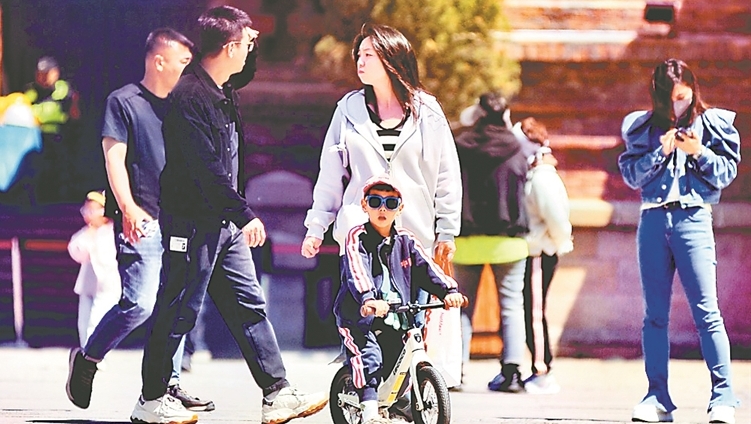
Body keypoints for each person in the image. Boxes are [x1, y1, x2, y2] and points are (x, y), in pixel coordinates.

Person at [131, 6, 328, 424]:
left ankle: (277, 393)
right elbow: (205, 167)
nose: (249, 52)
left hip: (223, 225)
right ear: (229, 47)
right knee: (178, 307)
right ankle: (151, 401)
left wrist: (249, 42)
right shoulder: (189, 96)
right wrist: (244, 214)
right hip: (192, 223)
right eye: (245, 45)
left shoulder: (222, 88)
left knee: (249, 305)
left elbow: (244, 71)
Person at [65, 28, 214, 413]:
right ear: (159, 61)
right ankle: (88, 357)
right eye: (183, 61)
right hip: (142, 220)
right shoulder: (124, 102)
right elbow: (113, 158)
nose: (190, 69)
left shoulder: (185, 104)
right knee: (140, 304)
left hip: (180, 220)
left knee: (175, 303)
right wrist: (128, 208)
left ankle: (169, 384)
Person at [618, 58, 739, 424]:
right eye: (669, 99)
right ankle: (657, 397)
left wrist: (698, 152)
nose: (677, 106)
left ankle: (723, 397)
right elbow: (631, 175)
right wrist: (661, 152)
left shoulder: (713, 123)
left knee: (707, 312)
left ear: (693, 91)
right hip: (653, 220)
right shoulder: (642, 127)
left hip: (693, 219)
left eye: (683, 97)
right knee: (654, 315)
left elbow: (726, 173)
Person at [301, 22, 461, 264]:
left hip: (414, 237)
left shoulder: (427, 110)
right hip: (359, 238)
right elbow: (330, 175)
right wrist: (316, 227)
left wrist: (447, 231)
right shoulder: (348, 109)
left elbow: (446, 174)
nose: (360, 62)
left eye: (368, 55)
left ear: (391, 58)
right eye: (359, 55)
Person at [334, 175, 465, 424]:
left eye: (391, 203)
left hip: (397, 317)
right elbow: (357, 270)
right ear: (364, 206)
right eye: (375, 202)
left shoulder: (406, 240)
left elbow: (427, 268)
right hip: (360, 317)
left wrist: (449, 291)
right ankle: (370, 412)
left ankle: (399, 404)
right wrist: (368, 298)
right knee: (370, 358)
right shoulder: (357, 237)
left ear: (400, 208)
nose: (382, 209)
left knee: (401, 360)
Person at [452, 92, 529, 393]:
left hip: (467, 238)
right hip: (508, 241)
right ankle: (512, 372)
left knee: (461, 308)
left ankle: (455, 372)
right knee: (511, 307)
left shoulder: (460, 147)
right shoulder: (517, 147)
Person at [518, 118, 573, 394]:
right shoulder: (536, 175)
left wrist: (559, 242)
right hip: (535, 251)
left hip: (539, 252)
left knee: (534, 312)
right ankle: (538, 368)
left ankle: (542, 370)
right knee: (530, 310)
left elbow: (557, 217)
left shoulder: (542, 178)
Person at [67, 191, 121, 348]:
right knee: (84, 322)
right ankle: (85, 351)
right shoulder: (86, 233)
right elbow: (76, 251)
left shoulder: (112, 231)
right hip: (88, 283)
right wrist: (89, 237)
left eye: (93, 211)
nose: (88, 215)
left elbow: (108, 257)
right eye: (86, 210)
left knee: (97, 320)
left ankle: (95, 353)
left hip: (107, 285)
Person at [23, 56, 80, 203]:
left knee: (60, 171)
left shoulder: (64, 90)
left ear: (55, 73)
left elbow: (75, 114)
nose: (43, 78)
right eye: (40, 74)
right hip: (34, 137)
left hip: (59, 137)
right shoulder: (31, 92)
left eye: (46, 73)